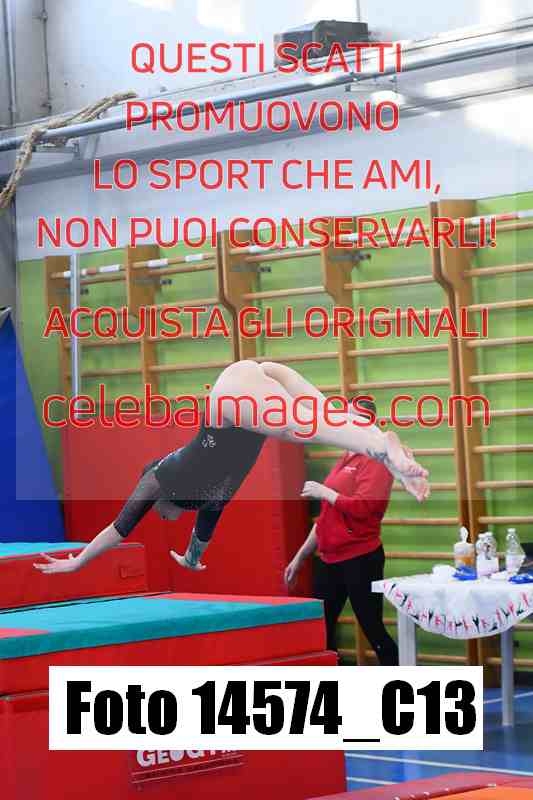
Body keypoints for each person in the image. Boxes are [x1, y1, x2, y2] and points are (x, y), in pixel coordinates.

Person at [34, 360, 429, 577]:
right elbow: (201, 534)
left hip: (230, 402)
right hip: (261, 376)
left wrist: (79, 561)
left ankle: (383, 448)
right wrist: (191, 559)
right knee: (323, 415)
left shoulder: (158, 480)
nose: (162, 517)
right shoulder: (212, 497)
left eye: (159, 512)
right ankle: (389, 453)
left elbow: (119, 528)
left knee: (301, 427)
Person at [285, 398, 399, 666]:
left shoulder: (376, 460)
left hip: (360, 558)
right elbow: (326, 518)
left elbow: (365, 508)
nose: (343, 422)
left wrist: (327, 492)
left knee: (372, 628)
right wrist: (299, 557)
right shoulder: (347, 456)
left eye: (351, 417)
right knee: (321, 630)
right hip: (330, 558)